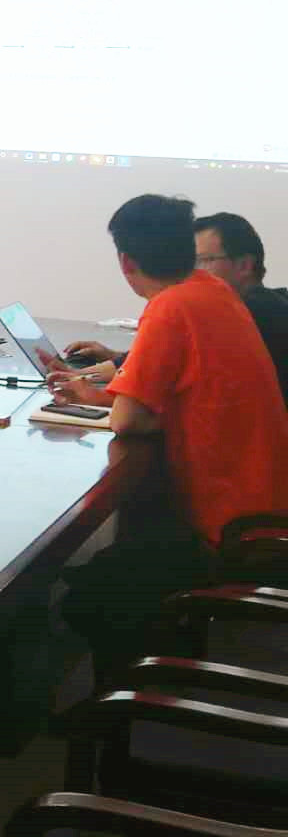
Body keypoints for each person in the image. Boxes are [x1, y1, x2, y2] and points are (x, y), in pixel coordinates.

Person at [52, 195, 288, 682]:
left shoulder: (170, 306)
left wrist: (113, 402)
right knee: (115, 564)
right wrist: (103, 397)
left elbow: (128, 422)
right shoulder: (212, 290)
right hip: (266, 506)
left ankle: (140, 701)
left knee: (96, 593)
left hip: (239, 533)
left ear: (126, 261)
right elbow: (181, 397)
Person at [51, 211, 288, 404]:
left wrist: (81, 380)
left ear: (245, 265)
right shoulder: (260, 303)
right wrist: (112, 359)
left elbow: (138, 412)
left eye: (201, 261)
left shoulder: (252, 312)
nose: (190, 271)